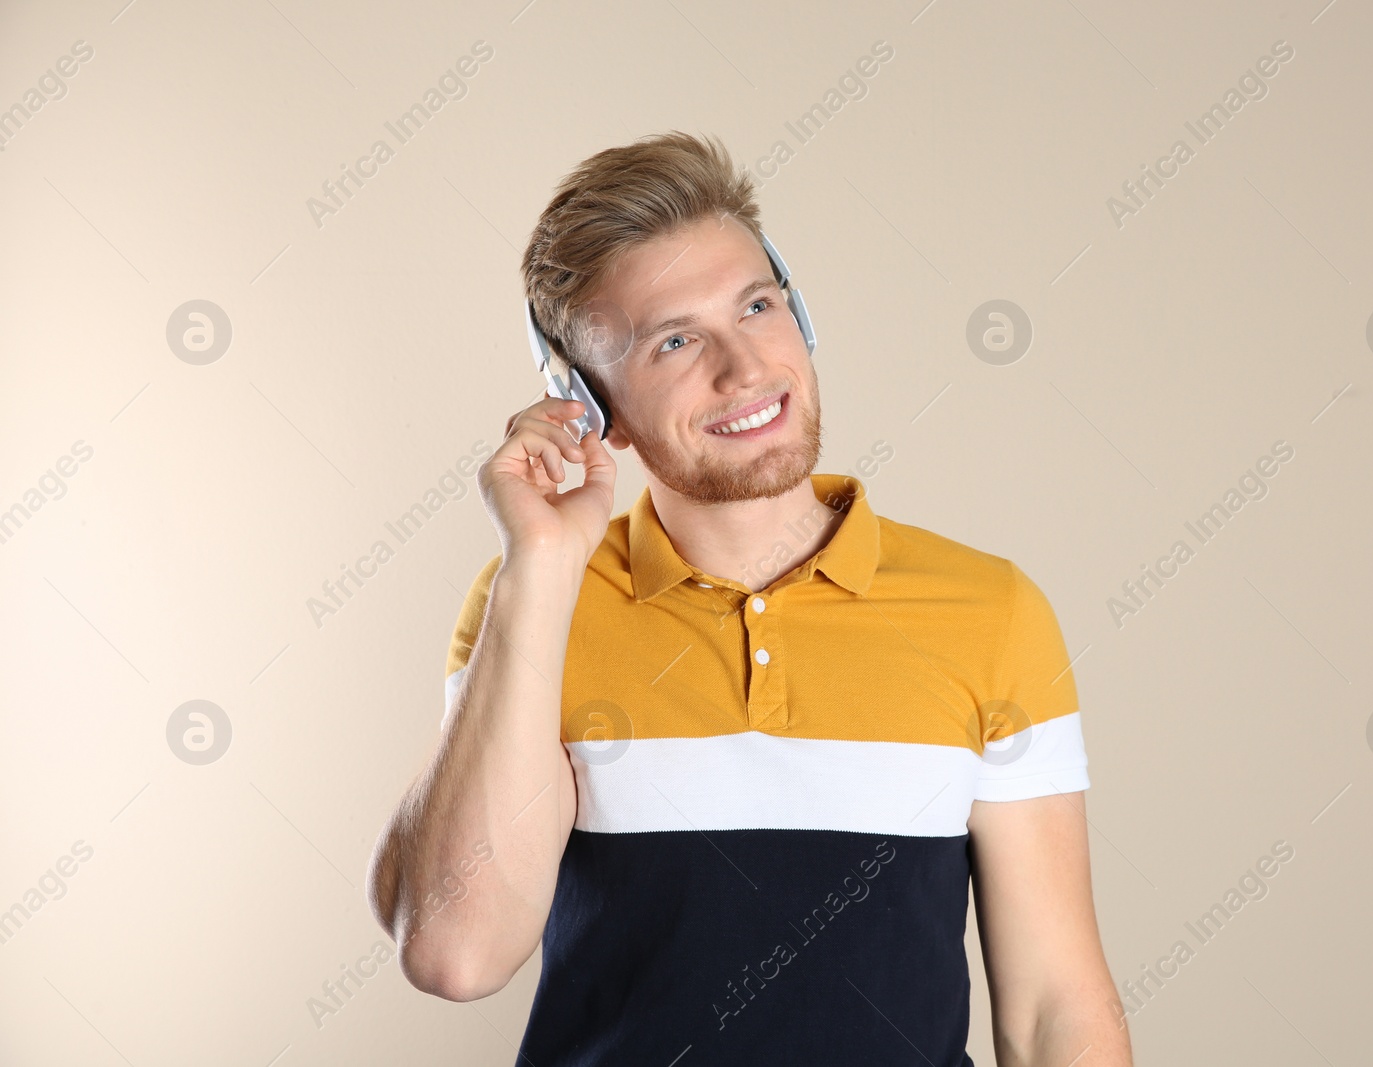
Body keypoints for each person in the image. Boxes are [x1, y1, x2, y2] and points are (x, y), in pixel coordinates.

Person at [366, 131, 1133, 1066]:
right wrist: (540, 563)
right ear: (587, 403)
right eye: (675, 341)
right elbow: (453, 952)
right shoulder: (534, 598)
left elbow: (1056, 1007)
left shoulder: (991, 611)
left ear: (799, 313)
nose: (745, 370)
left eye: (758, 307)